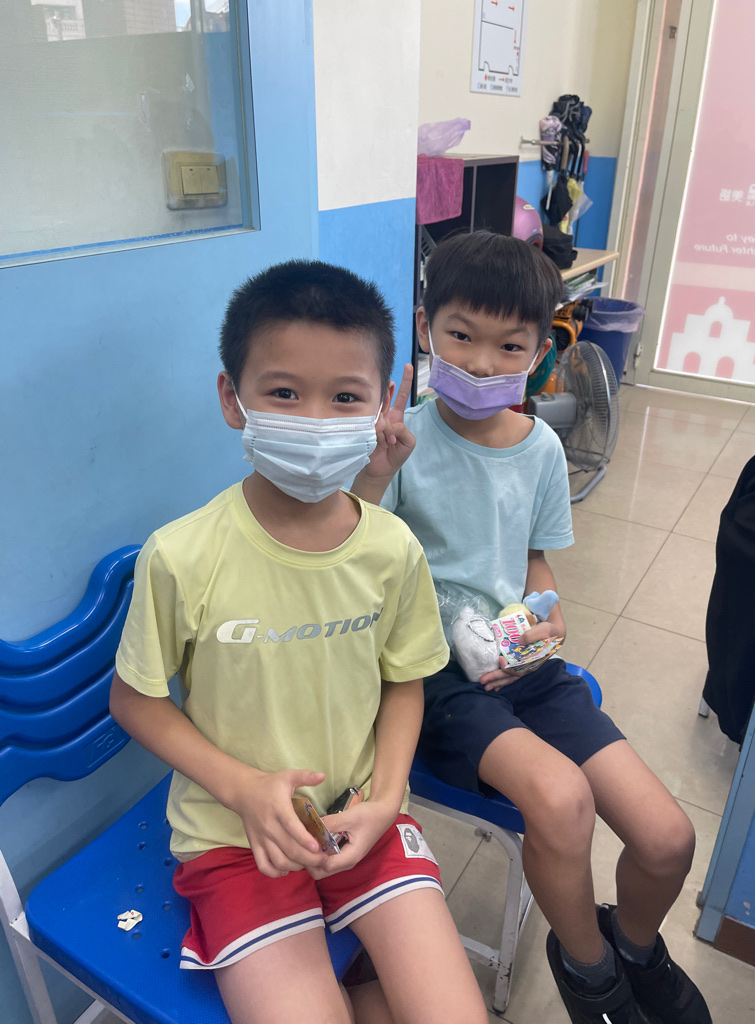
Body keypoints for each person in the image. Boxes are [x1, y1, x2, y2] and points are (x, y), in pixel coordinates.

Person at [109, 260, 488, 1024]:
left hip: (363, 817)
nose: (315, 421)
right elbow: (135, 700)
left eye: (344, 397)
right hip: (232, 838)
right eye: (284, 392)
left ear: (382, 404)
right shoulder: (181, 555)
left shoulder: (392, 548)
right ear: (232, 398)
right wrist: (243, 789)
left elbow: (404, 680)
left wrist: (387, 798)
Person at [352, 232, 712, 1024]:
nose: (482, 364)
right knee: (561, 798)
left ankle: (637, 951)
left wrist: (545, 621)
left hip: (523, 664)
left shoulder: (543, 449)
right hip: (434, 679)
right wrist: (374, 477)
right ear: (426, 329)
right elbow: (354, 557)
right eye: (461, 336)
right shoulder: (403, 444)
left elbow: (535, 567)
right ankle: (590, 977)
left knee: (667, 838)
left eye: (508, 346)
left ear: (539, 351)